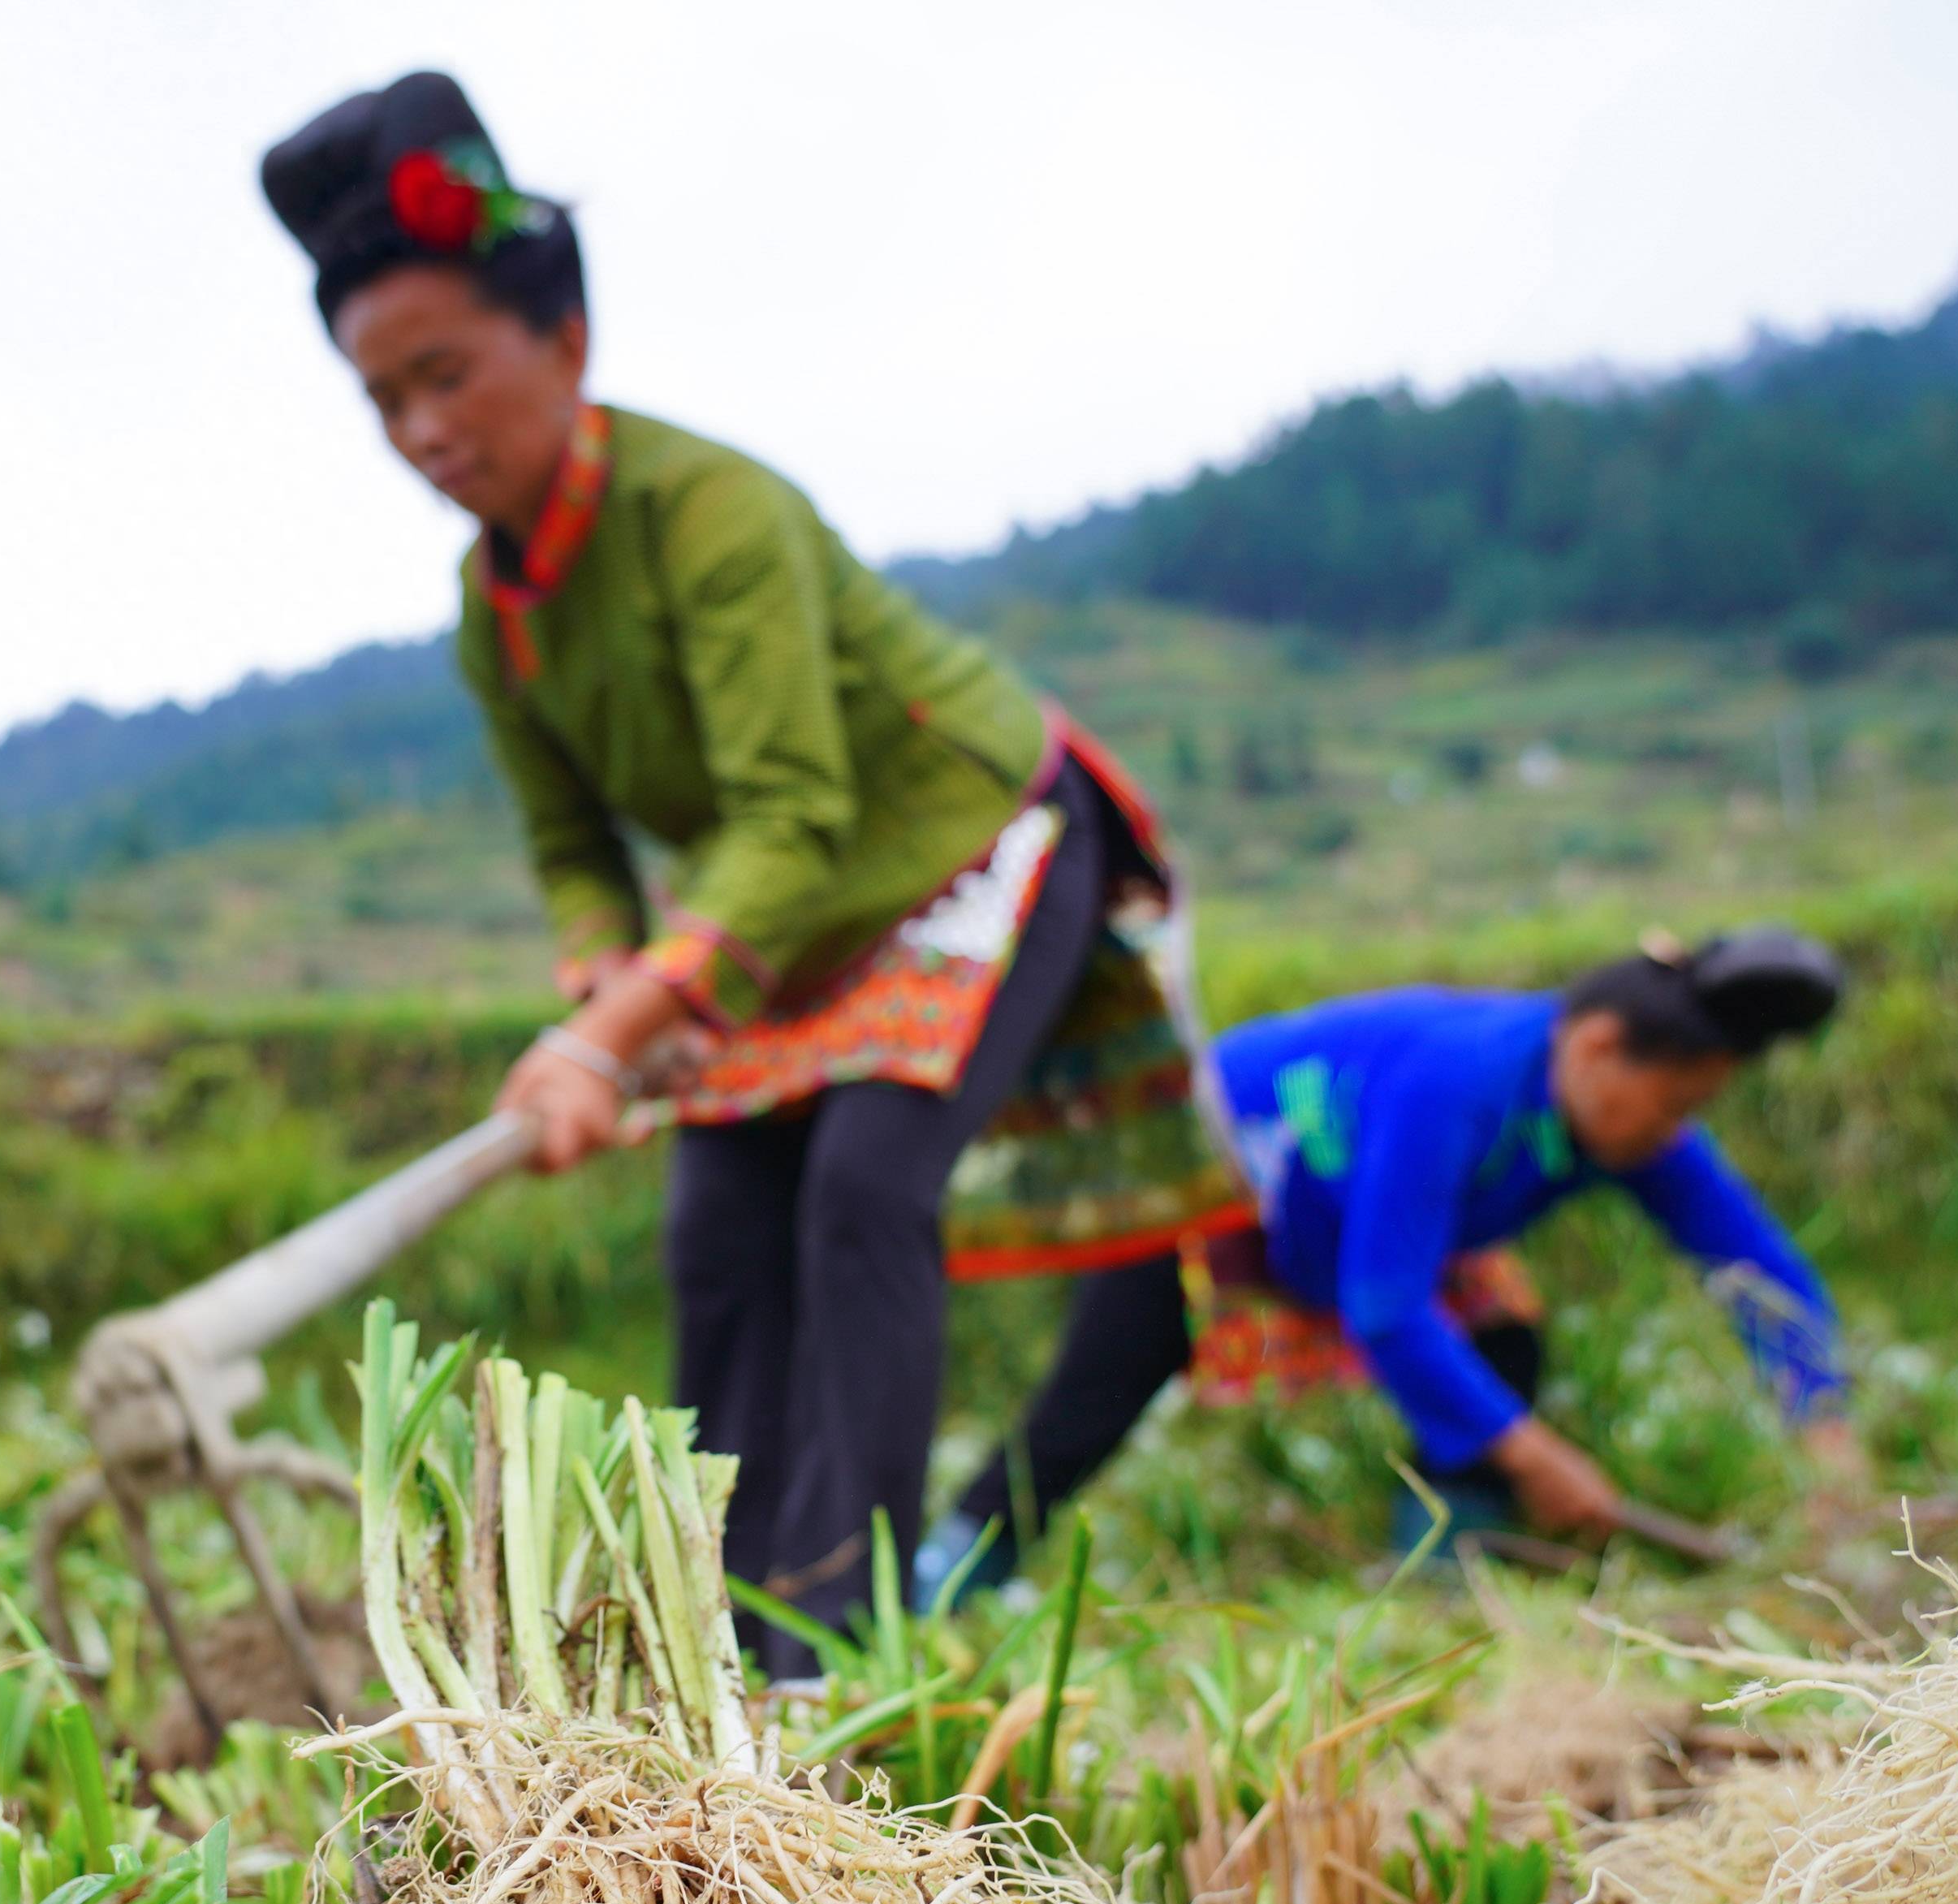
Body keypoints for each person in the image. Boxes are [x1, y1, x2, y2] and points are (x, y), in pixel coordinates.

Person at [261, 73, 1180, 1673]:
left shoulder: (714, 515)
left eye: (448, 376)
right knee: (717, 1228)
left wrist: (615, 1033)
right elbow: (575, 851)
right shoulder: (498, 611)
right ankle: (722, 1631)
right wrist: (599, 988)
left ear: (565, 345)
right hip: (786, 921)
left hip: (968, 842)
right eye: (382, 401)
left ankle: (838, 1638)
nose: (423, 432)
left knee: (862, 1186)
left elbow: (792, 809)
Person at [916, 927, 1859, 1598]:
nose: (1673, 1128)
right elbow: (1389, 1308)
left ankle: (1444, 1578)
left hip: (1364, 1222)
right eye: (1670, 1101)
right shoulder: (1461, 1079)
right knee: (1100, 1393)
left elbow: (1755, 1267)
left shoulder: (1631, 1127)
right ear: (1600, 1046)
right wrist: (1539, 1460)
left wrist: (1830, 1448)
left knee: (1502, 1340)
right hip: (1210, 1175)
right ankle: (944, 1577)